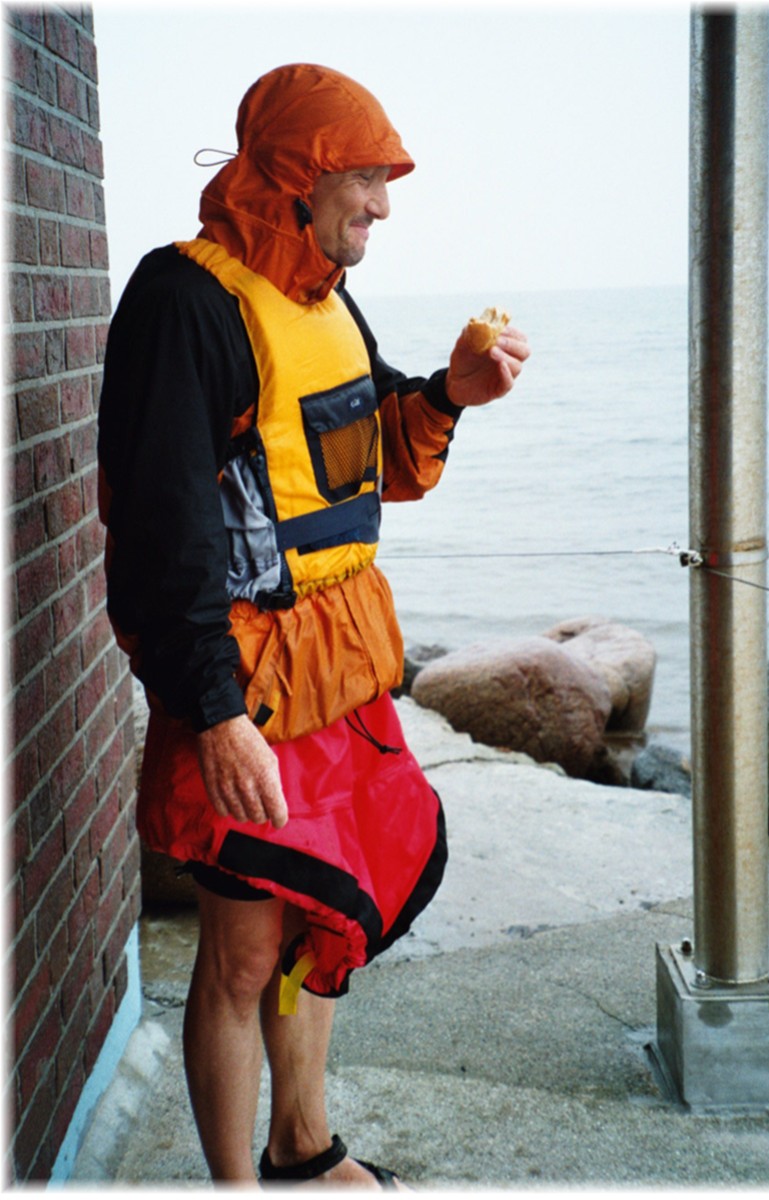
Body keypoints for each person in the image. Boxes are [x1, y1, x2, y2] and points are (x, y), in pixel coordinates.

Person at [98, 63, 529, 1187]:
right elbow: (162, 532)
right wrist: (216, 716)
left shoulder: (325, 297)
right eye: (367, 180)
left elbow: (359, 443)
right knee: (241, 954)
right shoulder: (185, 302)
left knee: (317, 926)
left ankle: (303, 1146)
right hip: (244, 682)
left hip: (340, 675)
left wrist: (448, 393)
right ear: (296, 177)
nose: (384, 206)